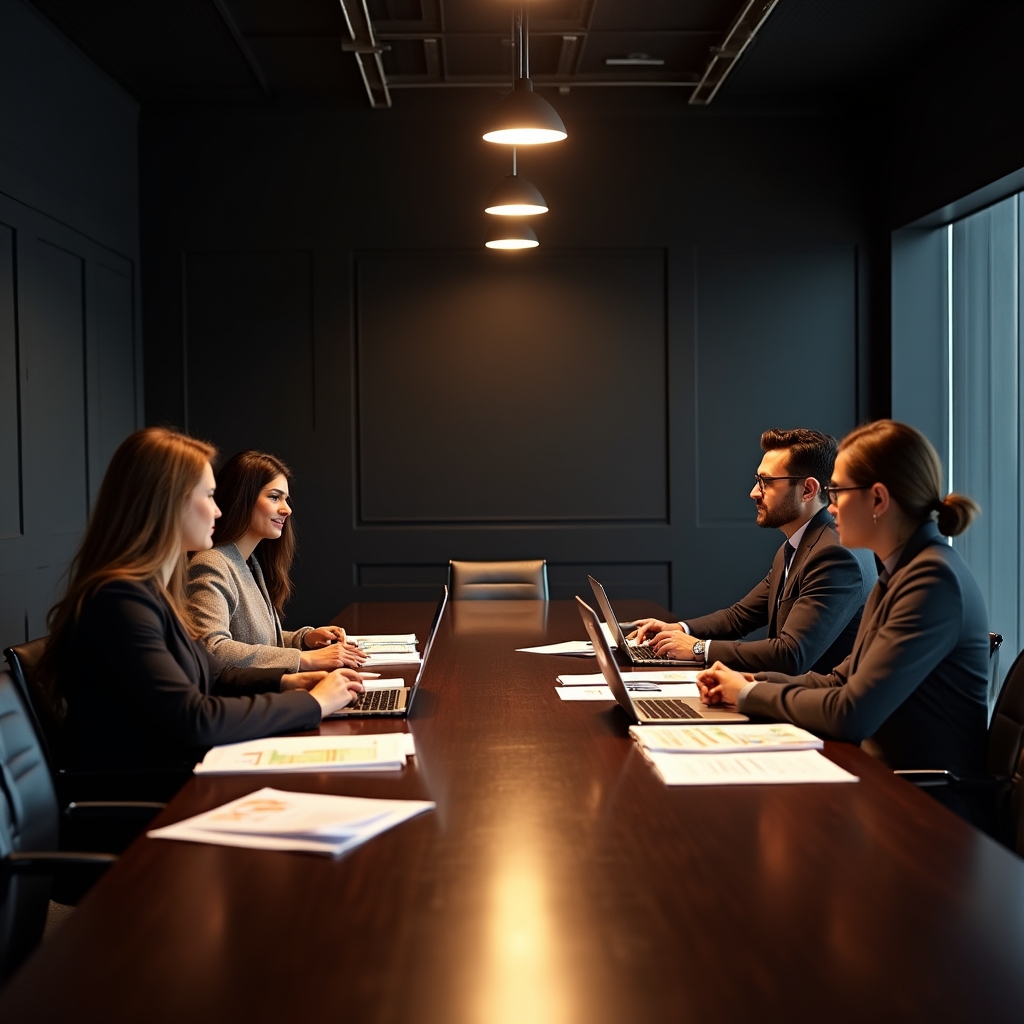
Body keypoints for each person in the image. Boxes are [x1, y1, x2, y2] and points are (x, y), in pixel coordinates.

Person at [39, 428, 365, 772]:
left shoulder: (151, 592)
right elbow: (196, 718)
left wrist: (290, 681)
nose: (219, 511)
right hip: (155, 799)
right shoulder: (119, 600)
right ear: (168, 501)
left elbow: (215, 677)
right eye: (209, 496)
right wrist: (312, 704)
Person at [697, 420, 989, 780]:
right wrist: (750, 681)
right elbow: (839, 680)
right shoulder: (902, 571)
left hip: (927, 804)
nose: (830, 508)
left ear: (878, 500)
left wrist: (749, 695)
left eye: (836, 492)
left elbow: (850, 713)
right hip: (887, 781)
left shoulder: (932, 581)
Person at [632, 428, 876, 674]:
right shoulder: (794, 546)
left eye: (766, 482)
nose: (754, 492)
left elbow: (791, 655)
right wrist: (680, 630)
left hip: (813, 706)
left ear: (808, 490)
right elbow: (738, 617)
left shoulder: (834, 556)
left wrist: (698, 648)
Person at [187, 450, 365, 672]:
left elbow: (255, 640)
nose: (287, 509)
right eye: (274, 497)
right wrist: (305, 659)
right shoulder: (211, 564)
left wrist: (304, 638)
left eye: (286, 499)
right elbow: (213, 650)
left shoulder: (249, 562)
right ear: (242, 497)